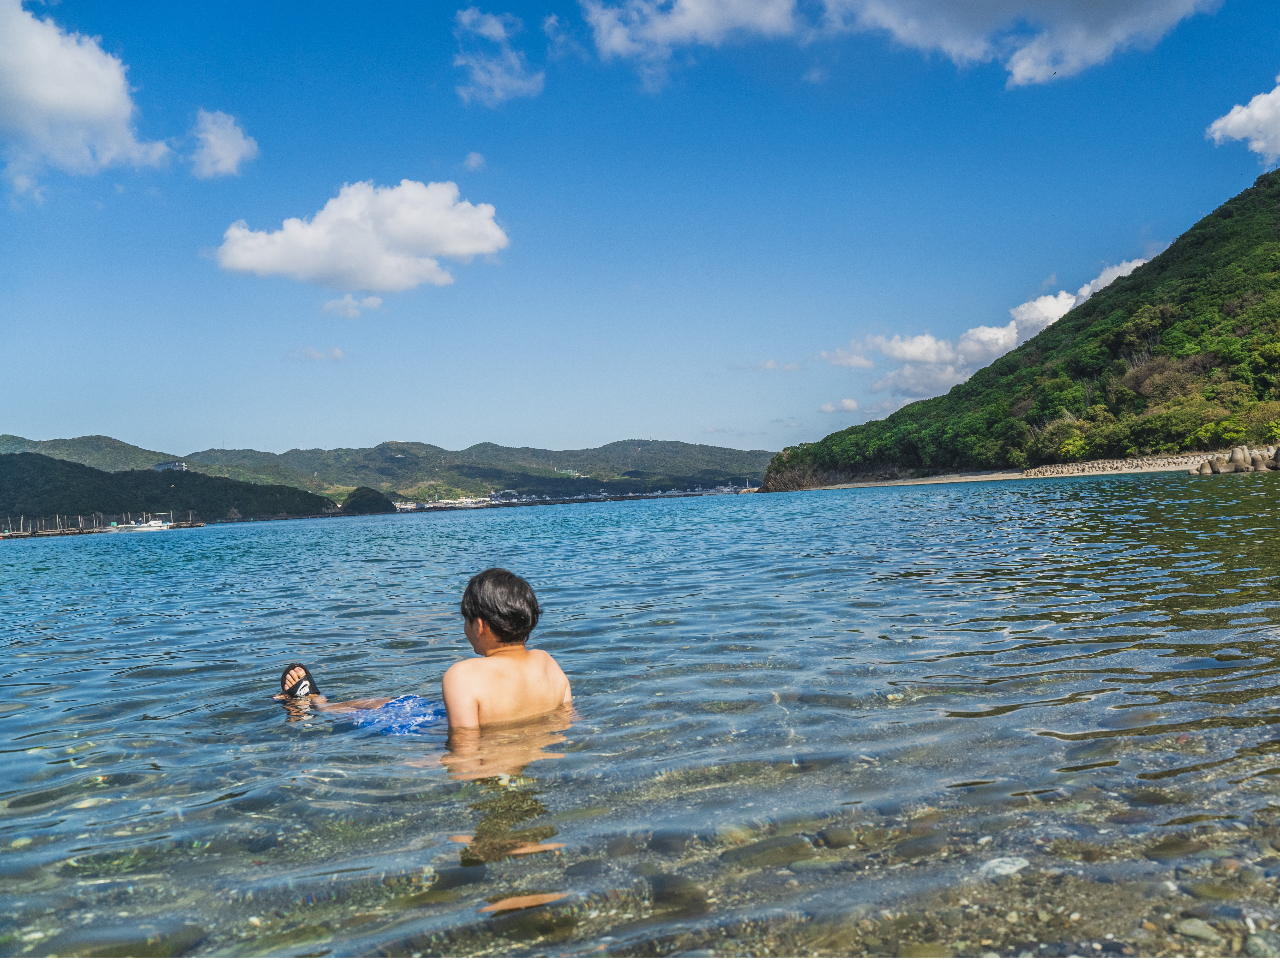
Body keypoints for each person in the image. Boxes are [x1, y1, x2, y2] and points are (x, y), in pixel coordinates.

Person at [276, 568, 571, 730]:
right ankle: (318, 702)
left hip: (432, 729)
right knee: (387, 701)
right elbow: (568, 719)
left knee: (376, 715)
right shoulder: (549, 664)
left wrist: (425, 764)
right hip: (462, 720)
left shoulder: (465, 675)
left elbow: (465, 746)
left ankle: (315, 705)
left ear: (479, 626)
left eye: (464, 621)